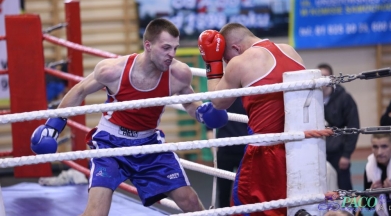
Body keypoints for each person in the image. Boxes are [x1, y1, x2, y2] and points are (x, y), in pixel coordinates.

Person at [30, 18, 229, 215]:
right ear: (148, 45)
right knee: (96, 212)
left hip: (148, 144)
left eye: (175, 48)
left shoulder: (178, 74)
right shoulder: (114, 70)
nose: (172, 54)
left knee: (190, 201)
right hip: (110, 145)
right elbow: (80, 90)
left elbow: (189, 103)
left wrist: (204, 114)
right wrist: (53, 126)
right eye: (166, 48)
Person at [198, 23, 306, 215]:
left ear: (235, 48)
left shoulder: (241, 61)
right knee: (291, 208)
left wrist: (212, 63)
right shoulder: (290, 51)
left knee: (245, 208)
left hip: (265, 152)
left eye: (226, 59)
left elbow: (218, 102)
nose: (227, 63)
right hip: (300, 146)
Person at [318, 63, 360, 191]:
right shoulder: (312, 101)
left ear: (331, 78)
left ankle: (353, 211)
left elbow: (354, 126)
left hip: (338, 153)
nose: (322, 79)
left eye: (325, 76)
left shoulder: (344, 98)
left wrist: (346, 154)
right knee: (324, 189)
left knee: (345, 189)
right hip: (319, 152)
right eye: (319, 76)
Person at [206, 97, 248, 208]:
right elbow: (209, 125)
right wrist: (214, 148)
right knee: (224, 192)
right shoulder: (222, 96)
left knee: (246, 190)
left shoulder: (248, 94)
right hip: (225, 149)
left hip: (245, 149)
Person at [362, 133, 391, 216]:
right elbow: (368, 206)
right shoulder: (370, 167)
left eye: (384, 146)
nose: (379, 152)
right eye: (375, 147)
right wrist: (372, 194)